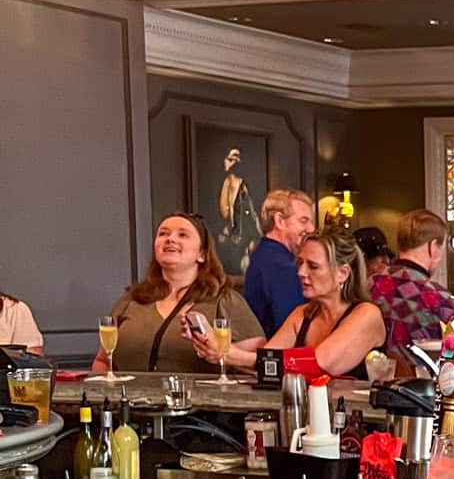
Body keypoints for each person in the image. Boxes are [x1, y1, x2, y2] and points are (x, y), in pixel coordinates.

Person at [192, 229, 385, 380]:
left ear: (343, 273)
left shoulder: (367, 314)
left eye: (313, 266)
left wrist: (228, 353)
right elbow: (264, 364)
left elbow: (321, 363)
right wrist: (215, 349)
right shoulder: (303, 314)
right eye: (300, 263)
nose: (301, 272)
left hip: (354, 417)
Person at [97, 213, 260, 375]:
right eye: (163, 233)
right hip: (131, 392)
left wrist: (221, 352)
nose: (170, 239)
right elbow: (102, 361)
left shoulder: (225, 300)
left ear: (202, 254)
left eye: (182, 235)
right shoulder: (132, 299)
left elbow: (257, 365)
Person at [369, 209, 454, 357]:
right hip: (422, 372)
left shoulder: (369, 285)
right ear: (433, 247)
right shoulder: (439, 298)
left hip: (371, 370)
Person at [242, 187, 316, 337]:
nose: (311, 229)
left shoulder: (264, 255)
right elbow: (295, 330)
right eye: (304, 221)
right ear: (280, 221)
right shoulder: (282, 267)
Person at [215, 147, 260, 276]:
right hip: (228, 236)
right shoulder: (224, 183)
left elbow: (252, 213)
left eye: (234, 160)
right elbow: (224, 212)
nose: (231, 163)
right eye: (229, 159)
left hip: (242, 237)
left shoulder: (243, 186)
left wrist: (254, 236)